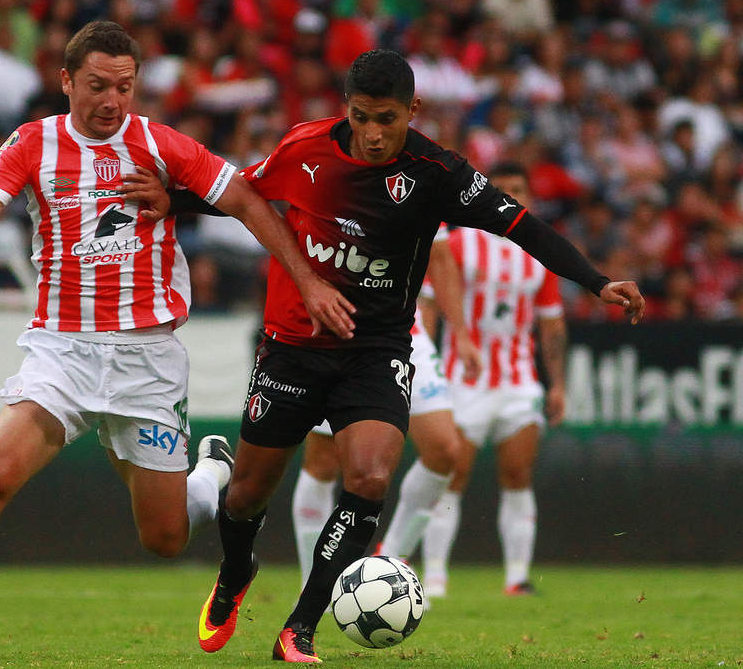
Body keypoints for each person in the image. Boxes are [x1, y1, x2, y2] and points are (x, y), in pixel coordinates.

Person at [0, 21, 354, 659]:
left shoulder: (159, 144)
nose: (112, 100)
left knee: (164, 539)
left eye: (124, 87)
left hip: (147, 360)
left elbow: (245, 198)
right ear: (67, 80)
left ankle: (209, 475)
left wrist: (304, 278)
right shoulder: (33, 142)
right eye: (98, 85)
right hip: (63, 354)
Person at [190, 50, 644, 663]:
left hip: (376, 349)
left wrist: (597, 282)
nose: (373, 134)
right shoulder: (305, 148)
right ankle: (236, 570)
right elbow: (236, 192)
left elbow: (524, 226)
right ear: (345, 109)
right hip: (293, 347)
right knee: (246, 495)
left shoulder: (437, 173)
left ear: (413, 110)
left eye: (387, 119)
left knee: (370, 479)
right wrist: (166, 199)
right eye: (361, 117)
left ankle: (299, 627)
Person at [405, 162, 567, 598]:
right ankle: (434, 578)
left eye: (519, 189)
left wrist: (557, 384)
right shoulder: (460, 244)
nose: (511, 196)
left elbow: (551, 324)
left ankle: (517, 578)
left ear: (530, 196)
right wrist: (428, 361)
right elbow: (430, 304)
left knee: (518, 473)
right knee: (450, 475)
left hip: (519, 381)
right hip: (463, 379)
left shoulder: (539, 251)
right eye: (503, 189)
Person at [292, 226, 483, 588]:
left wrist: (460, 333)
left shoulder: (423, 189)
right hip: (339, 324)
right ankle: (312, 585)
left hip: (404, 329)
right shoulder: (337, 191)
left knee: (444, 449)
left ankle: (387, 566)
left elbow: (441, 259)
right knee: (323, 461)